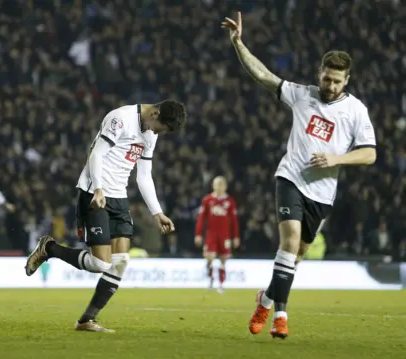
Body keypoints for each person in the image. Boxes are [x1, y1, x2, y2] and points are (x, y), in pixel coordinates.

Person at [222, 12, 376, 339]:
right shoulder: (302, 94)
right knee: (289, 243)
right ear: (320, 73)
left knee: (296, 257)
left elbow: (370, 154)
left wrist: (336, 158)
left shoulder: (356, 111)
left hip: (322, 193)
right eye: (327, 78)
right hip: (290, 178)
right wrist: (239, 43)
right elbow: (263, 76)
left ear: (347, 80)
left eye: (337, 81)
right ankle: (280, 315)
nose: (330, 86)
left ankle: (264, 298)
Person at [24, 101, 186, 332]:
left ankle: (86, 320)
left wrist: (157, 212)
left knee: (120, 263)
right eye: (159, 127)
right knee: (100, 263)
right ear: (155, 113)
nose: (156, 133)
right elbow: (96, 154)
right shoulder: (120, 118)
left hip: (119, 198)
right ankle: (48, 248)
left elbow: (144, 176)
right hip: (94, 193)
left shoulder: (151, 131)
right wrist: (98, 188)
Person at [195, 176, 240, 293]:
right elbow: (201, 218)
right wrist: (198, 234)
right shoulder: (207, 200)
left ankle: (221, 284)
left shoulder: (229, 201)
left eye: (221, 184)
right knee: (210, 257)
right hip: (211, 234)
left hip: (224, 235)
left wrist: (235, 236)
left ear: (225, 186)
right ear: (213, 186)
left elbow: (234, 221)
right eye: (217, 184)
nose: (219, 187)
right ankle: (210, 281)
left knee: (223, 259)